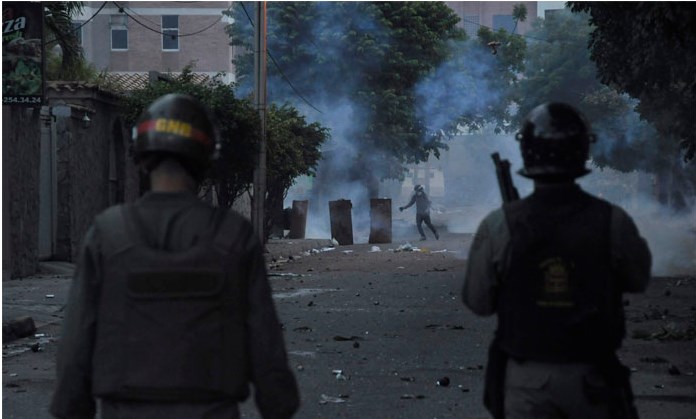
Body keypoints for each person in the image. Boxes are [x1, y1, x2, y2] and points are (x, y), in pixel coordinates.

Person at [50, 94, 300, 419]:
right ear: (206, 158)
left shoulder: (107, 234)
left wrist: (72, 406)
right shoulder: (233, 236)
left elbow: (76, 341)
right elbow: (264, 341)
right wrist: (278, 403)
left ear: (141, 158)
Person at [462, 102, 651, 419]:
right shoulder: (612, 221)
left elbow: (478, 301)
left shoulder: (500, 225)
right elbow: (638, 279)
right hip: (591, 376)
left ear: (528, 151)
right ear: (581, 149)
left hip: (526, 380)